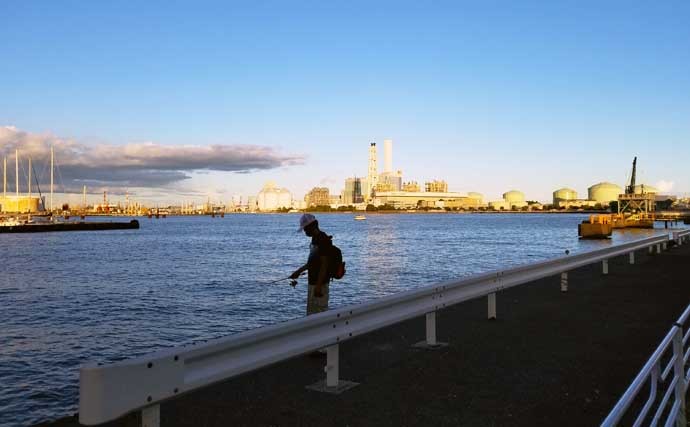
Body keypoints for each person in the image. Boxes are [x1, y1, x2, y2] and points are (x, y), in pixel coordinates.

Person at [290, 213, 332, 315]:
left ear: (311, 227)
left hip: (319, 285)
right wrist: (298, 272)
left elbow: (324, 265)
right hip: (313, 283)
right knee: (312, 313)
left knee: (319, 314)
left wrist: (318, 286)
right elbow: (312, 263)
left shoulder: (322, 239)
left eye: (305, 229)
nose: (304, 231)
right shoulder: (315, 239)